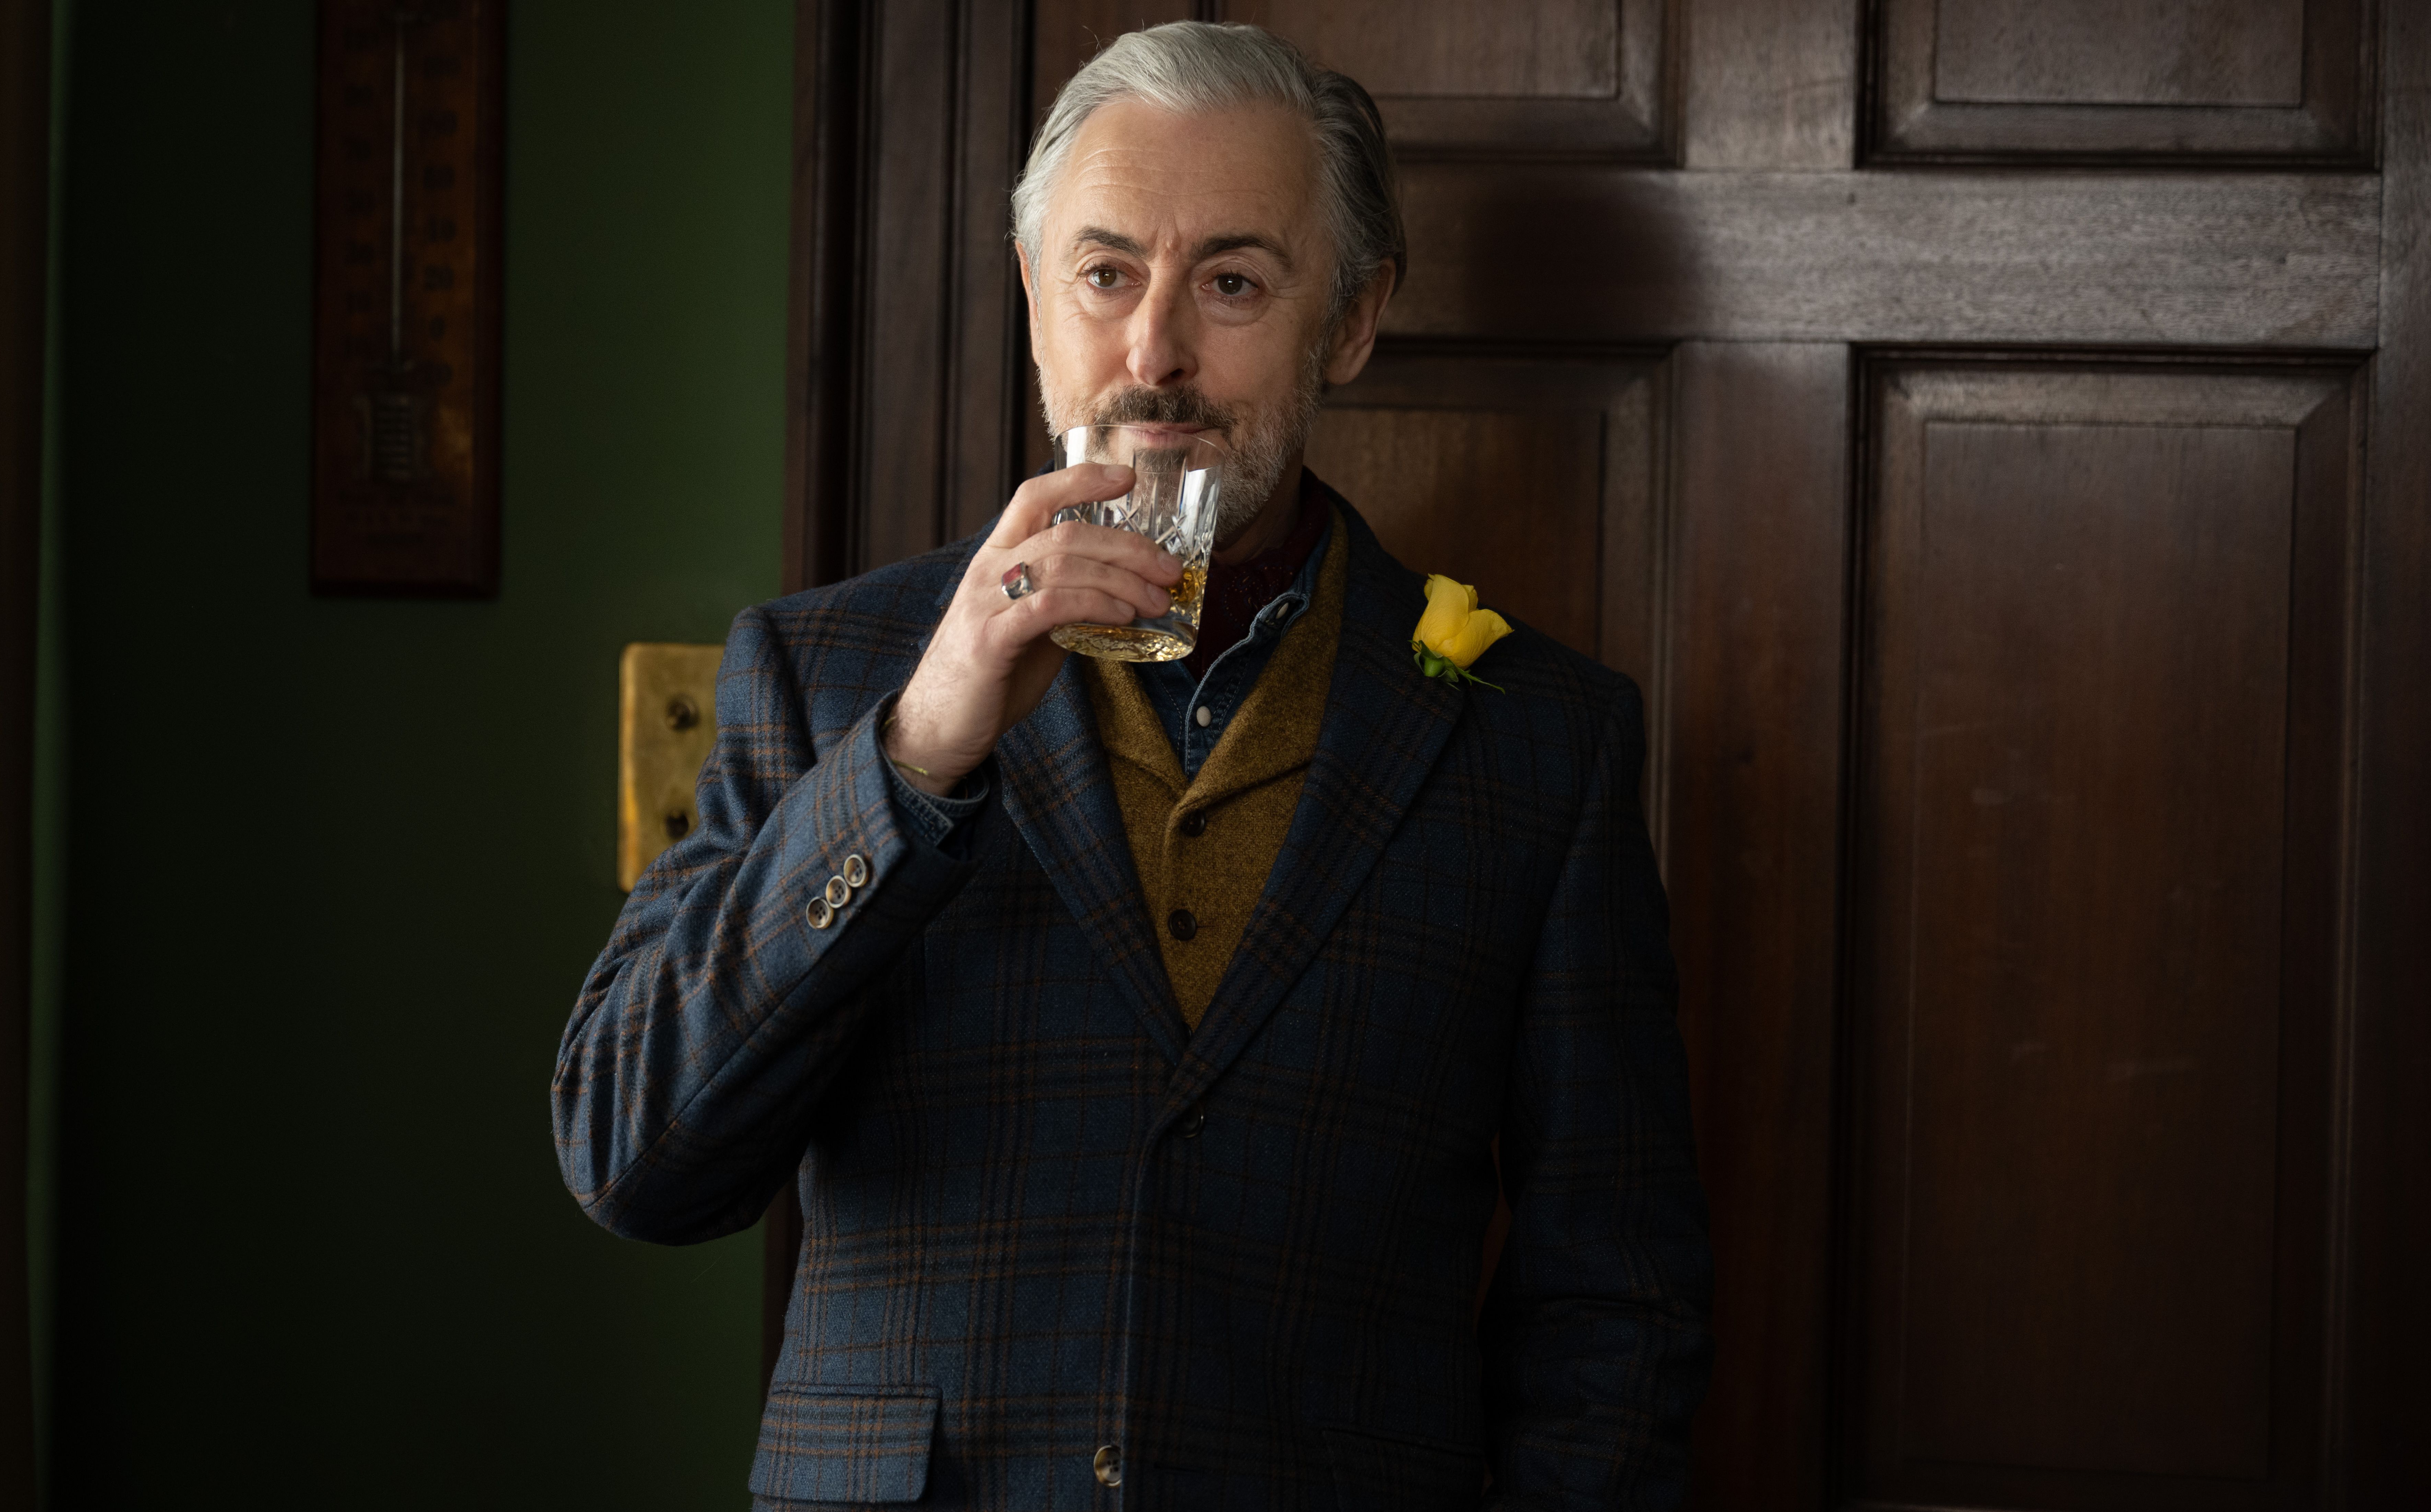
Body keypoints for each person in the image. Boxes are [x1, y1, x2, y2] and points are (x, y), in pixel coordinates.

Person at [552, 21, 1709, 1509]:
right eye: (1104, 276)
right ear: (1037, 303)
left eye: (1231, 282)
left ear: (1348, 322)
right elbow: (634, 1161)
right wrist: (916, 753)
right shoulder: (820, 671)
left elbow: (1614, 1300)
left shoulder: (1542, 739)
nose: (1153, 351)